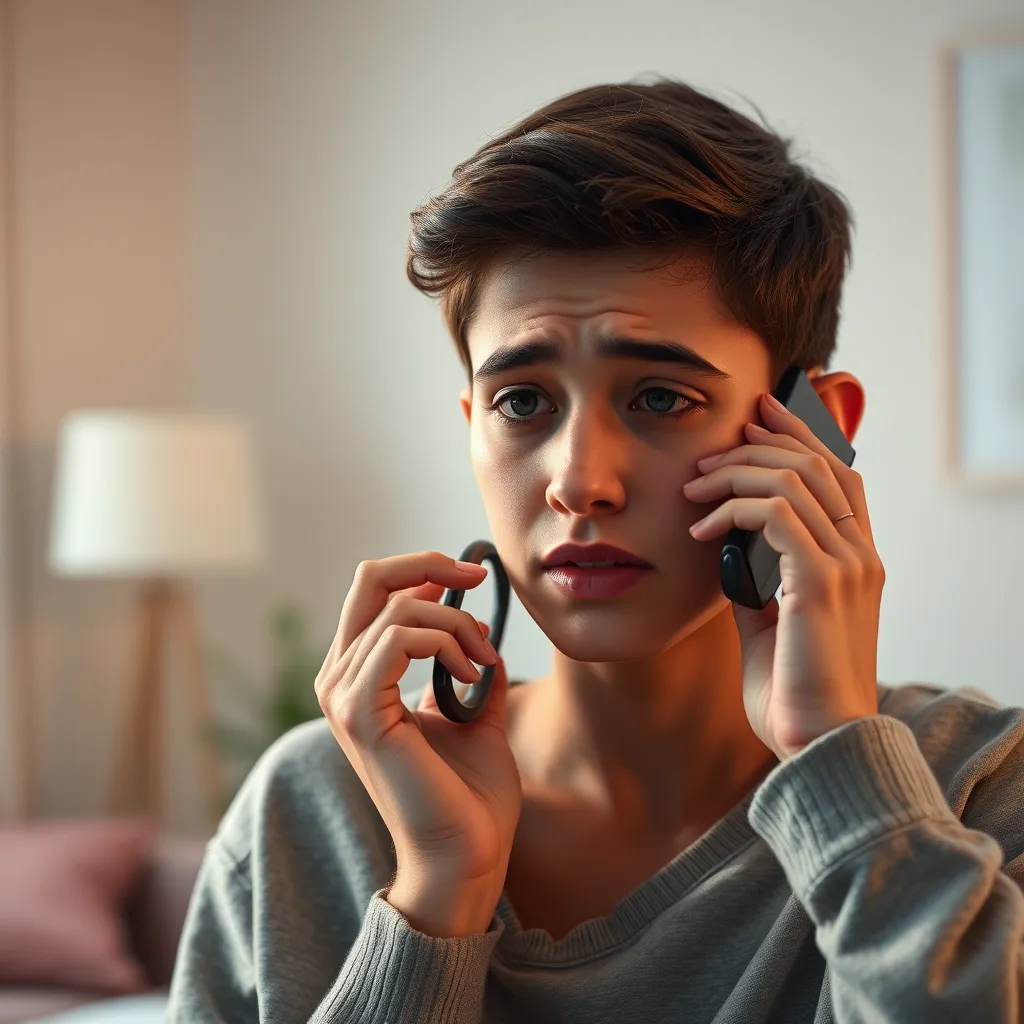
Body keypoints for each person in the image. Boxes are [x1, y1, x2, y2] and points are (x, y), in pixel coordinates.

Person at [165, 77, 1024, 1023]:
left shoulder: (982, 793)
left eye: (660, 397)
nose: (579, 481)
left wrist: (837, 761)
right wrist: (436, 901)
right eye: (521, 401)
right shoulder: (311, 812)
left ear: (818, 432)